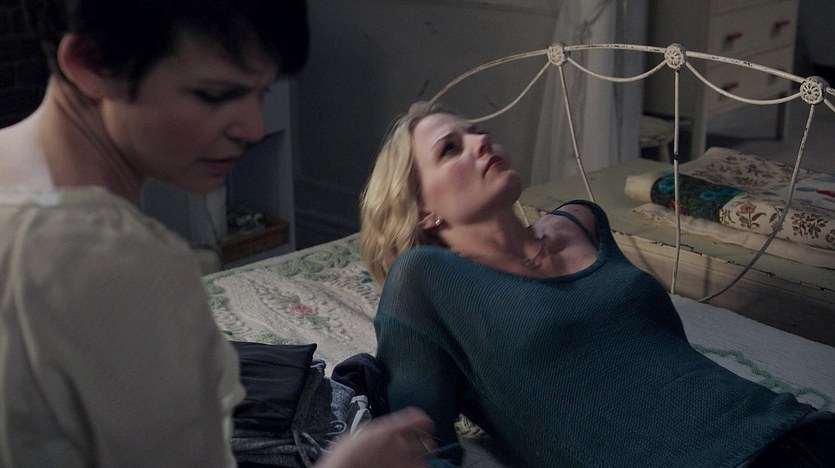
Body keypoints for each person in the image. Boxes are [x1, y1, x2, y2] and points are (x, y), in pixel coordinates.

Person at [0, 1, 434, 467]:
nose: (253, 128)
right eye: (214, 94)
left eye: (261, 91)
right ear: (92, 64)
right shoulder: (121, 262)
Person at [358, 101, 835, 467]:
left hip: (791, 425)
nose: (481, 141)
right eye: (450, 148)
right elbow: (419, 446)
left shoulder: (582, 220)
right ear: (423, 212)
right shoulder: (425, 279)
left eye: (476, 130)